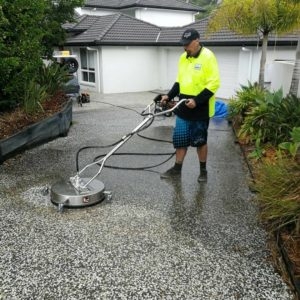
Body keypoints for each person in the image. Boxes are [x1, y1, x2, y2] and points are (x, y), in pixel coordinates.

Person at [160, 28, 220, 182]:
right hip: (183, 106)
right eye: (183, 44)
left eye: (187, 44)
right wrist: (168, 95)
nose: (185, 47)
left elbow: (214, 83)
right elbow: (179, 82)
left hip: (200, 107)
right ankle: (177, 170)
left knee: (200, 141)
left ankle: (203, 171)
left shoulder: (208, 56)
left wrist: (197, 100)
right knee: (180, 140)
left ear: (197, 41)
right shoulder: (183, 58)